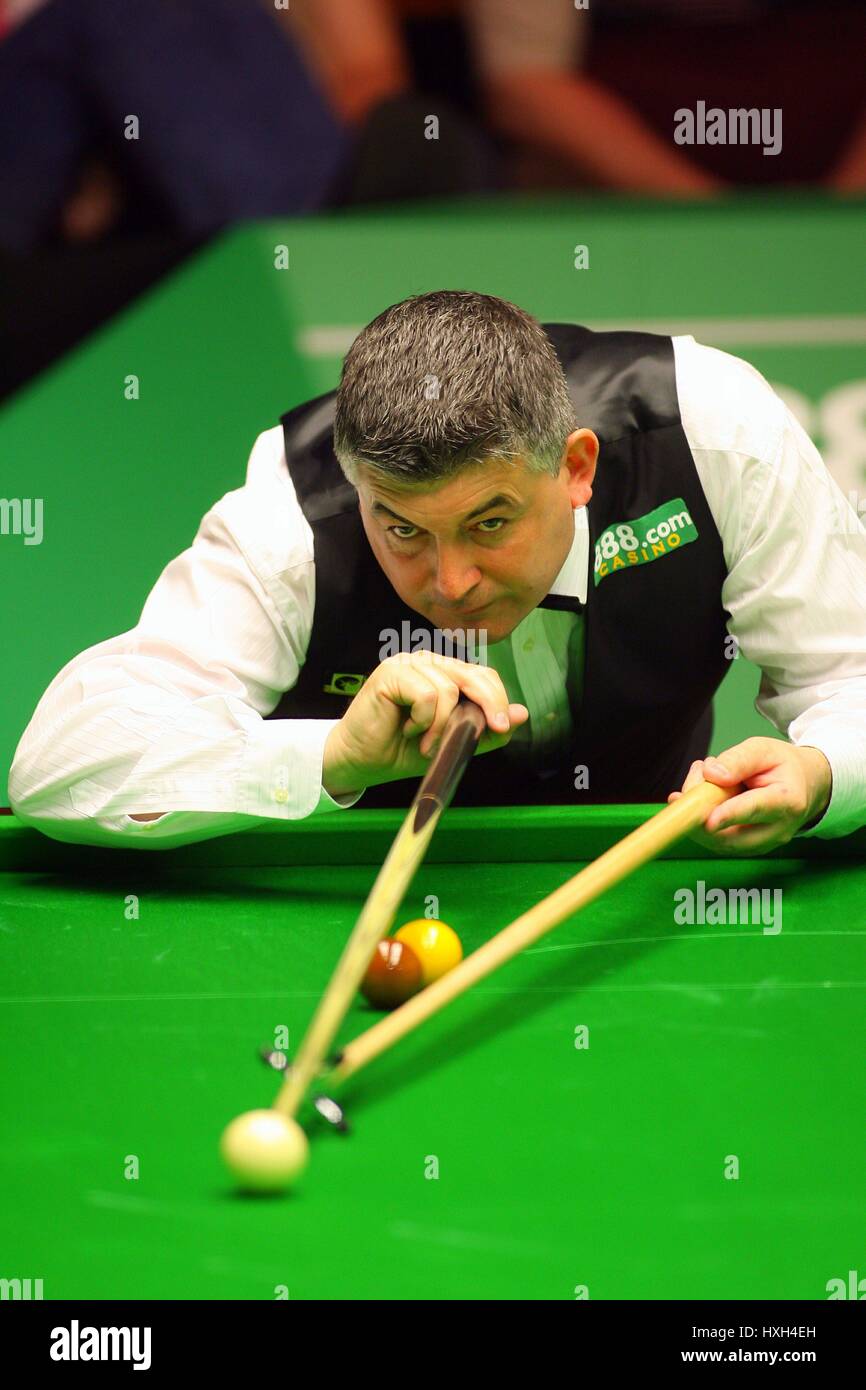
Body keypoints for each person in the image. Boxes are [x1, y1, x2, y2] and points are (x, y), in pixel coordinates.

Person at [9, 291, 866, 854]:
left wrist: (825, 768)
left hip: (646, 893)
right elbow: (58, 765)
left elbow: (848, 674)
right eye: (402, 530)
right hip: (365, 893)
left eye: (489, 522)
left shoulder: (709, 431)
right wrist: (331, 756)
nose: (449, 581)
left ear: (575, 466)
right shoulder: (292, 514)